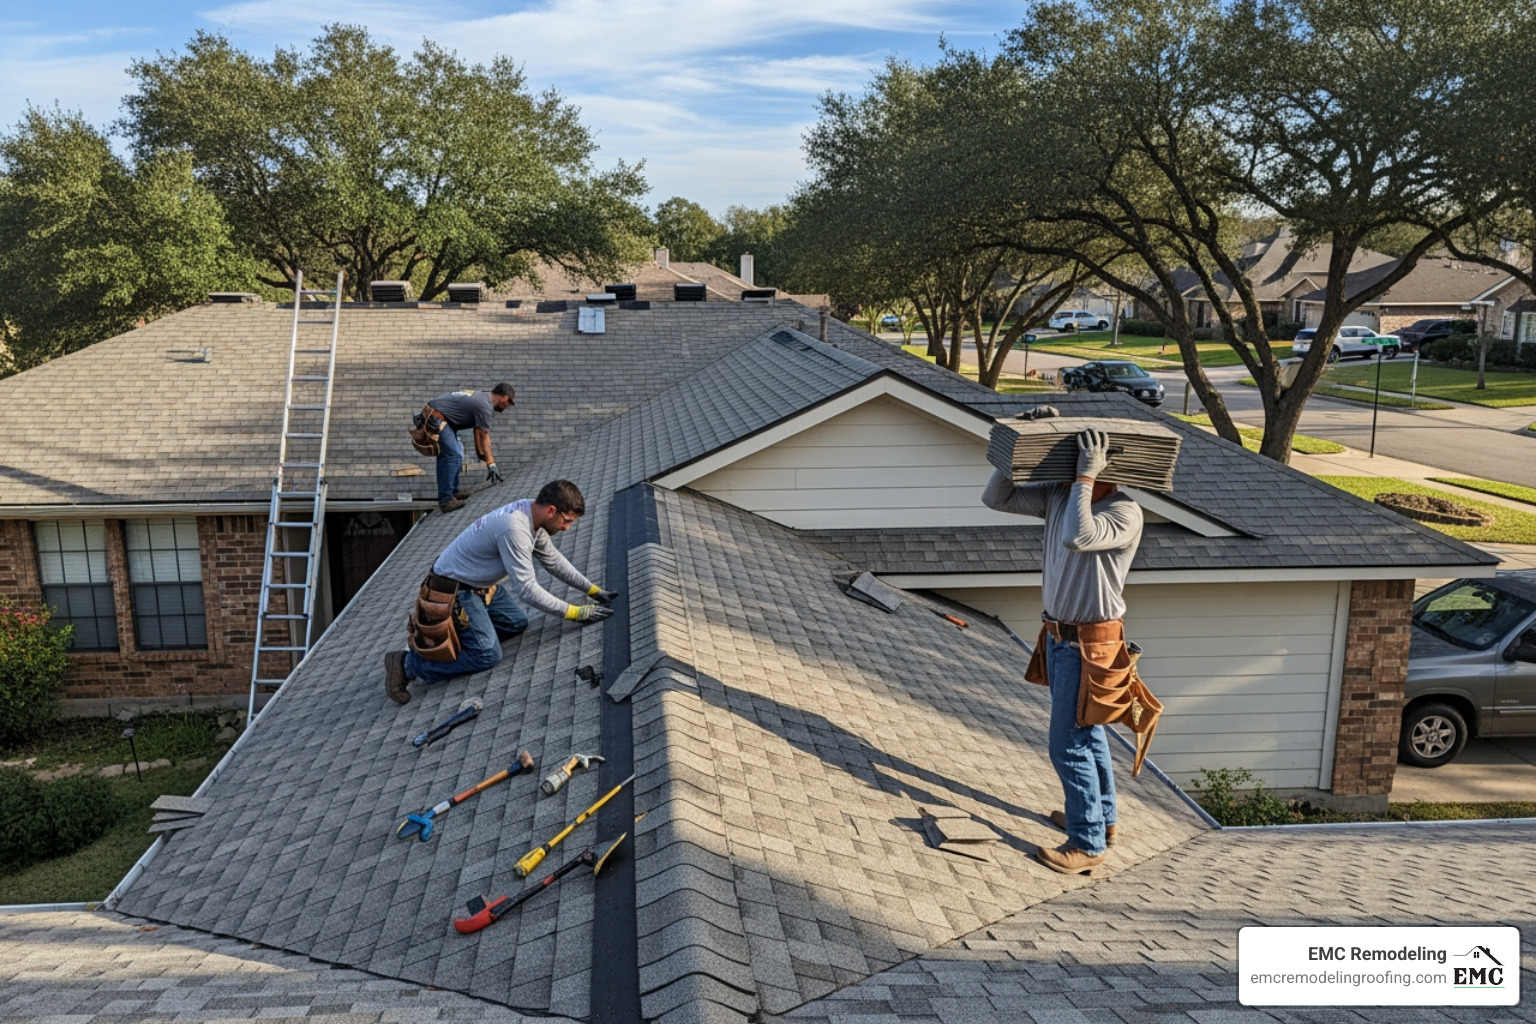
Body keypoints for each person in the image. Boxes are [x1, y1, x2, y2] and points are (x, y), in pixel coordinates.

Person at [982, 428, 1143, 875]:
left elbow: (1078, 536)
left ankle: (1087, 841)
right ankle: (1100, 821)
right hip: (1058, 637)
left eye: (1085, 461)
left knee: (1066, 745)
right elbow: (995, 498)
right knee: (1087, 735)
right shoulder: (1060, 497)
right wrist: (1018, 449)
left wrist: (1085, 479)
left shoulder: (1125, 511)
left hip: (1091, 644)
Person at [384, 479, 617, 704]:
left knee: (516, 623)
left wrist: (593, 590)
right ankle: (408, 664)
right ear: (551, 510)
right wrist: (576, 613)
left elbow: (553, 561)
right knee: (487, 655)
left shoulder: (532, 516)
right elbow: (527, 591)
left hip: (478, 585)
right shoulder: (514, 528)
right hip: (454, 590)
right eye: (566, 521)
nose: (566, 528)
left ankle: (466, 636)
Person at [415, 384, 516, 512]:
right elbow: (484, 436)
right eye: (509, 402)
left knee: (450, 454)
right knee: (453, 455)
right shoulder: (484, 405)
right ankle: (446, 500)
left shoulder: (483, 400)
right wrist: (491, 464)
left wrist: (481, 455)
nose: (508, 405)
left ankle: (453, 492)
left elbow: (478, 432)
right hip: (436, 417)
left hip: (439, 416)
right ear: (504, 397)